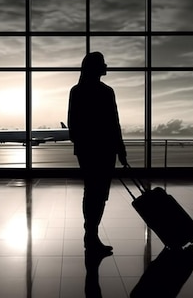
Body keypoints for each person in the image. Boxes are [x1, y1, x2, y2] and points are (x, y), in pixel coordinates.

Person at [68, 51, 129, 254]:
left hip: (88, 150)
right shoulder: (106, 92)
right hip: (105, 149)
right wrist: (120, 149)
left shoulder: (77, 91)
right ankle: (91, 235)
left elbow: (73, 124)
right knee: (99, 193)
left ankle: (90, 234)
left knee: (92, 191)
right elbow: (114, 123)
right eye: (103, 63)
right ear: (96, 67)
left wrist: (82, 144)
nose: (106, 66)